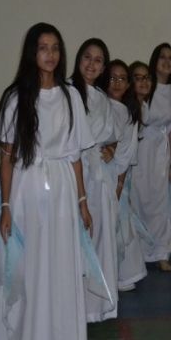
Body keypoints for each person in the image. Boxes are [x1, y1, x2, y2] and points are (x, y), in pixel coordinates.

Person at [0, 22, 94, 340]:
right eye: (43, 48)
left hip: (62, 192)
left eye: (55, 48)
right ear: (32, 53)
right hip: (27, 192)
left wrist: (82, 201)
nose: (50, 54)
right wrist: (5, 207)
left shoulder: (71, 97)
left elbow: (76, 156)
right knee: (30, 273)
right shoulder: (16, 98)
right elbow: (7, 158)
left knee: (61, 271)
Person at [71, 38, 119, 322]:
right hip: (76, 175)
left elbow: (111, 135)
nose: (91, 64)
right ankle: (73, 306)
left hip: (99, 176)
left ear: (103, 67)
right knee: (76, 239)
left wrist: (110, 148)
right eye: (87, 57)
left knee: (99, 237)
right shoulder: (68, 91)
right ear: (79, 60)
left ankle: (95, 307)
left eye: (98, 60)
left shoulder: (102, 97)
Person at [130, 44, 171, 272]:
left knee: (161, 204)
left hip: (161, 153)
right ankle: (138, 253)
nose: (166, 61)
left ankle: (160, 253)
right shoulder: (145, 87)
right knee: (137, 198)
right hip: (139, 150)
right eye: (162, 57)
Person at [102, 59, 147, 291]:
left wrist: (119, 184)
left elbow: (127, 152)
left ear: (128, 84)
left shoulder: (129, 114)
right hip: (98, 172)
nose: (117, 83)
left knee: (120, 219)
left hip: (118, 175)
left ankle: (124, 274)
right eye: (112, 78)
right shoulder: (98, 107)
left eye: (122, 78)